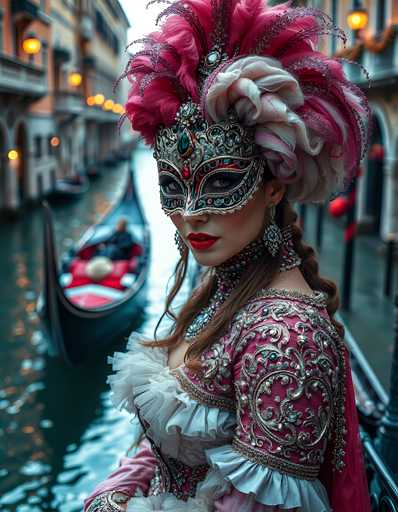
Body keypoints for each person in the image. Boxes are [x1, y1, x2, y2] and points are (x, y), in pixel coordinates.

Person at [84, 1, 372, 510]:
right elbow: (166, 448)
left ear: (274, 186)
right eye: (173, 187)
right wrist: (118, 488)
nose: (190, 213)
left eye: (220, 182)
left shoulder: (286, 335)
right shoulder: (228, 282)